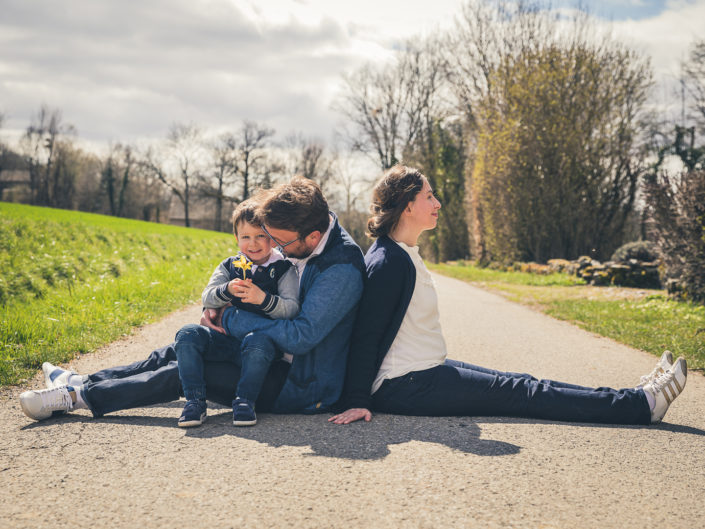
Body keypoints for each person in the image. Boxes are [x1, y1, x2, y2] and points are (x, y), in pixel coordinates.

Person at [330, 165, 687, 427]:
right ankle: (642, 404)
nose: (437, 203)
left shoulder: (402, 251)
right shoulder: (389, 261)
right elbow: (366, 333)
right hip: (406, 384)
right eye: (429, 196)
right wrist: (358, 400)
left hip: (422, 371)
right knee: (524, 393)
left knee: (526, 384)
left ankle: (631, 396)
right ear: (408, 206)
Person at [19, 177, 365, 422]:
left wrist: (229, 318)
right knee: (181, 347)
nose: (275, 249)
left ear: (314, 236)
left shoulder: (340, 270)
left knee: (186, 371)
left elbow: (301, 338)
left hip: (296, 384)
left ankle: (75, 398)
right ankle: (82, 380)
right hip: (267, 352)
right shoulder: (305, 233)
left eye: (282, 244)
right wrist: (221, 303)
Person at [174, 196, 299, 428]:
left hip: (261, 348)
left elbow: (291, 309)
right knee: (187, 334)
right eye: (246, 237)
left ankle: (244, 401)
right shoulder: (229, 266)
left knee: (257, 341)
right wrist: (227, 290)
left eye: (260, 236)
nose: (253, 244)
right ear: (236, 238)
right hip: (225, 339)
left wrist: (263, 299)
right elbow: (207, 296)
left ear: (271, 237)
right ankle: (194, 401)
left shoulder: (282, 269)